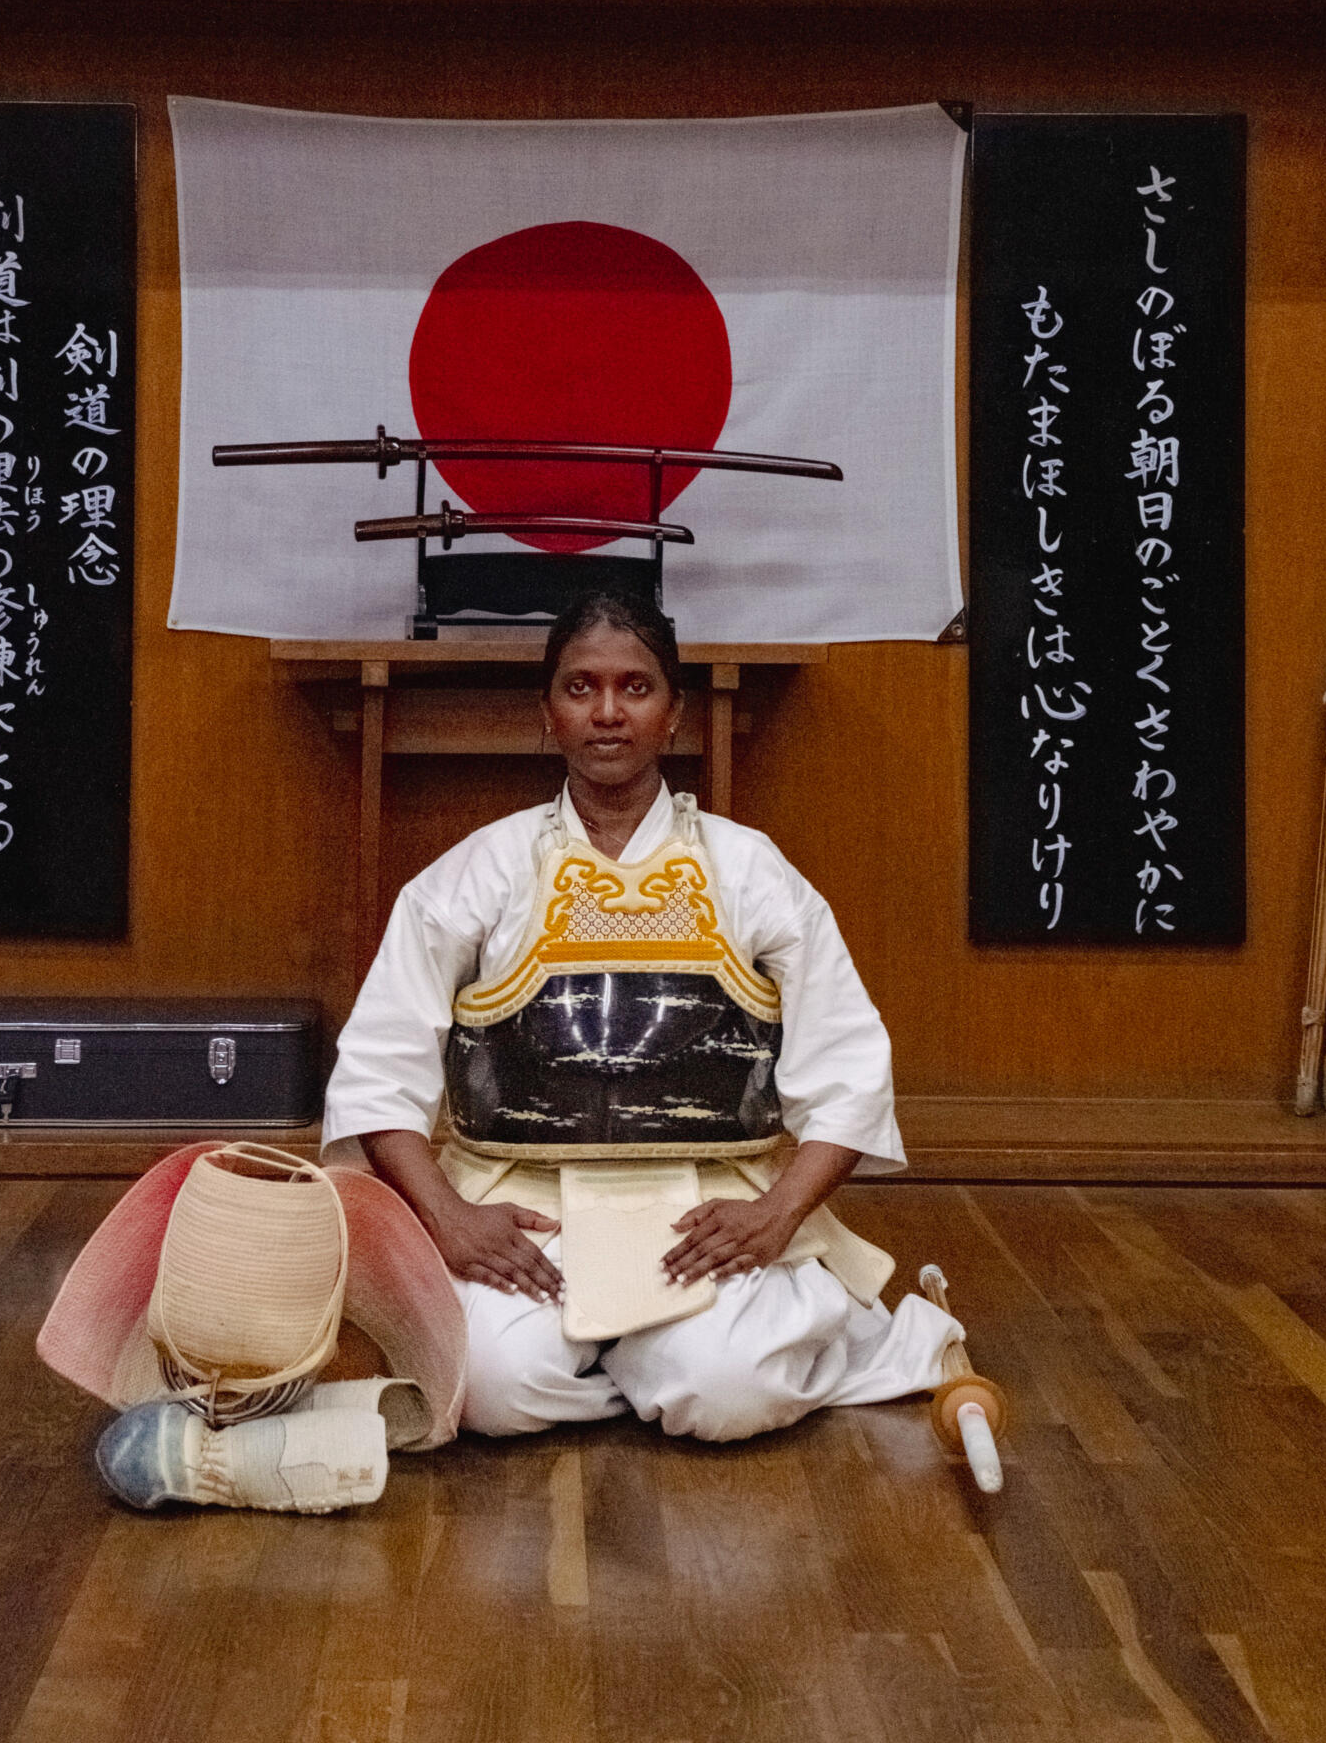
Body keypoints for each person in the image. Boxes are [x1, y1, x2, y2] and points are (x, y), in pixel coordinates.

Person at [323, 590, 959, 1443]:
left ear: (674, 713)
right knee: (491, 1391)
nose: (608, 712)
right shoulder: (478, 872)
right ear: (548, 712)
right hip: (521, 1203)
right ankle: (647, 1369)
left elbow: (848, 1068)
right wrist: (450, 1217)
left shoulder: (751, 870)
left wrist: (776, 1215)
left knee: (729, 1394)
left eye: (635, 687)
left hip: (711, 1203)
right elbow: (378, 1067)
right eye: (580, 687)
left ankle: (657, 1360)